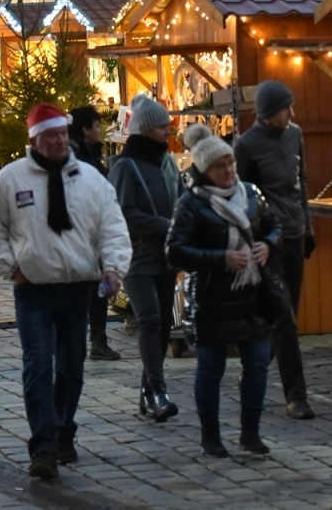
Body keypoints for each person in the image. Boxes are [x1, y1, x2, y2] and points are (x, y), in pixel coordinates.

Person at [0, 103, 131, 478]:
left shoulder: (90, 179)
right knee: (37, 365)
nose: (61, 141)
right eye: (52, 136)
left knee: (71, 368)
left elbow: (111, 227)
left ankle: (64, 430)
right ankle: (43, 446)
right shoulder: (11, 180)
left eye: (64, 134)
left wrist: (112, 268)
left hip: (78, 288)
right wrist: (12, 269)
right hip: (33, 291)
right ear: (35, 140)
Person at [167, 129, 281, 459]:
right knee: (210, 369)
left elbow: (274, 225)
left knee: (258, 364)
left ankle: (251, 433)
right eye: (219, 166)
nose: (228, 171)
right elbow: (175, 251)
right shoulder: (191, 203)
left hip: (253, 295)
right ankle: (211, 436)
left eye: (230, 163)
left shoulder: (249, 193)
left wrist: (268, 245)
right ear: (205, 170)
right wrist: (221, 259)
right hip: (213, 299)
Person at [233, 79, 316, 419]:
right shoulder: (247, 145)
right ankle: (296, 396)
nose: (291, 114)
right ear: (268, 113)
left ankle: (253, 367)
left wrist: (308, 227)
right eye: (285, 109)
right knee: (284, 317)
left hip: (295, 234)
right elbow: (240, 196)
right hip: (268, 242)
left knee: (283, 314)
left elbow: (302, 183)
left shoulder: (294, 134)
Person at [108, 94, 181, 421]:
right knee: (149, 318)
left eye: (168, 125)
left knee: (164, 323)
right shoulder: (125, 166)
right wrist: (165, 225)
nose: (168, 131)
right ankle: (158, 389)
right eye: (162, 126)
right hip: (136, 256)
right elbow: (122, 212)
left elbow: (180, 198)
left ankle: (147, 393)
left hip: (166, 254)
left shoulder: (167, 162)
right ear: (145, 130)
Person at [68, 105, 119, 361]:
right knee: (87, 289)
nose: (100, 131)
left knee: (96, 287)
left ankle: (97, 340)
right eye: (97, 126)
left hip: (93, 229)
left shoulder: (88, 154)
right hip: (83, 232)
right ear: (86, 130)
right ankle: (91, 340)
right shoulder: (78, 158)